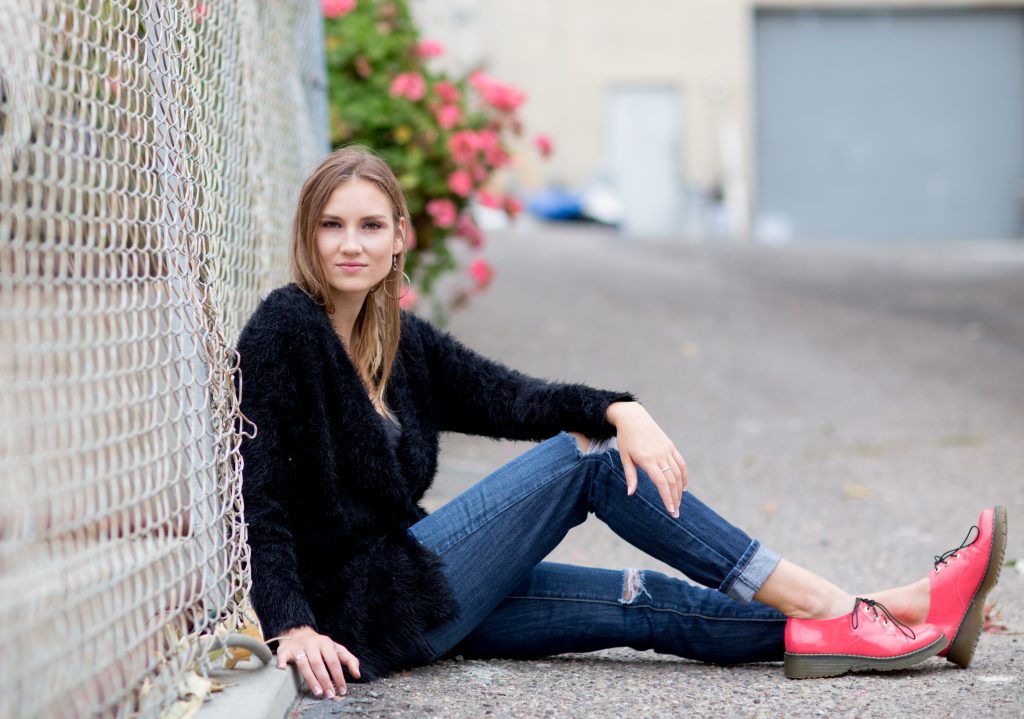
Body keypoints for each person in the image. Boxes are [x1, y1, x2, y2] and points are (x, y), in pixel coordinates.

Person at [236, 145, 1008, 698]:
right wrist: (291, 624)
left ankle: (889, 612)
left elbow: (517, 398)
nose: (350, 244)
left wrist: (618, 404)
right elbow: (261, 495)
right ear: (308, 234)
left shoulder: (402, 343)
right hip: (358, 614)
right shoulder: (285, 330)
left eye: (370, 225)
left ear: (400, 236)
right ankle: (834, 607)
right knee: (587, 463)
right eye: (332, 225)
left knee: (643, 604)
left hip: (425, 597)